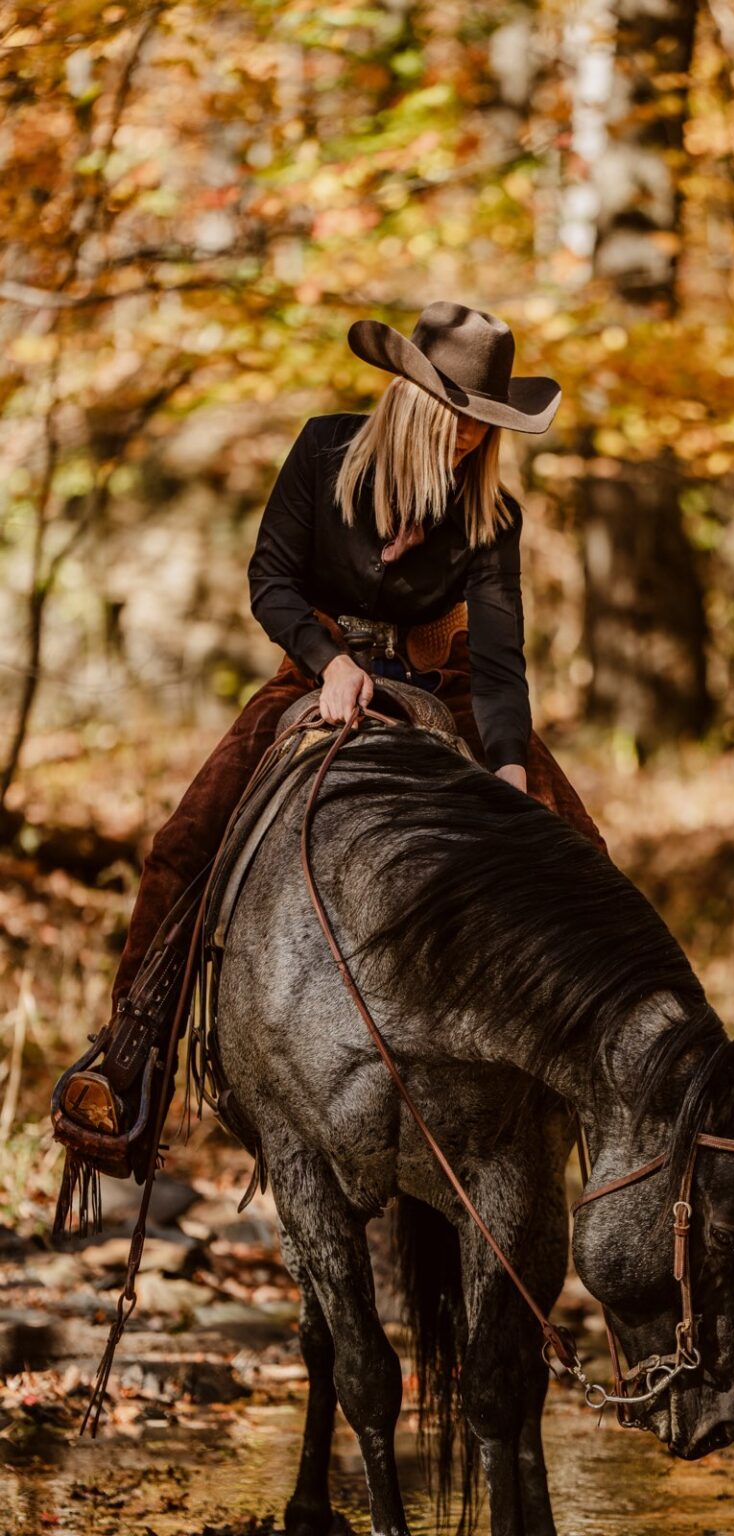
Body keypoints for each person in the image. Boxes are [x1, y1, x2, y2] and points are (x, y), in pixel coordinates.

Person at [50, 299, 607, 1194]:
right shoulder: (322, 451)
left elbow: (501, 660)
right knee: (184, 843)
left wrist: (508, 765)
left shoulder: (492, 512)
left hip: (449, 683)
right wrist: (329, 661)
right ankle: (131, 1060)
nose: (470, 436)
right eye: (457, 414)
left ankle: (615, 1092)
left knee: (580, 851)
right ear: (413, 399)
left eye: (484, 422)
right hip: (316, 667)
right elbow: (270, 578)